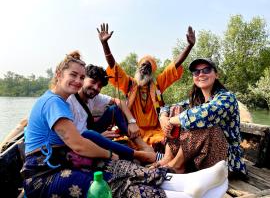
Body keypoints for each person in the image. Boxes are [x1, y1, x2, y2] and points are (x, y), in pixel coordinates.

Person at [22, 51, 228, 198]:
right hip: (44, 175)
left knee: (115, 166)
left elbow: (171, 70)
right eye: (74, 76)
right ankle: (180, 194)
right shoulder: (54, 102)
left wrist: (130, 124)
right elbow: (77, 143)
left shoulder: (157, 85)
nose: (78, 81)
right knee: (106, 182)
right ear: (59, 75)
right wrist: (109, 152)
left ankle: (185, 183)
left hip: (65, 160)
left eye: (81, 77)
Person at [97, 23, 195, 147]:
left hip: (155, 131)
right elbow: (113, 67)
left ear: (152, 71)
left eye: (148, 66)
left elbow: (173, 66)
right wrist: (105, 44)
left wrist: (189, 46)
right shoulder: (129, 84)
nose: (144, 68)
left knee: (166, 140)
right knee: (122, 142)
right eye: (142, 65)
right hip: (134, 130)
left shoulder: (158, 84)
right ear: (138, 68)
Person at [158, 58, 247, 176]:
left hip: (226, 160)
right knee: (176, 109)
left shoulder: (227, 97)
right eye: (196, 72)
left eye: (206, 70)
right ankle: (168, 158)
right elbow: (169, 107)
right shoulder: (197, 100)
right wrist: (163, 117)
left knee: (202, 120)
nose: (201, 74)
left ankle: (177, 165)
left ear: (216, 74)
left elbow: (205, 115)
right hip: (201, 155)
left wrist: (172, 121)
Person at [67, 64, 153, 152]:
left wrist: (132, 122)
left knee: (114, 109)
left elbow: (120, 102)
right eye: (93, 82)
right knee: (122, 146)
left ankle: (142, 145)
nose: (96, 87)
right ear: (83, 79)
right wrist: (100, 136)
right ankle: (138, 154)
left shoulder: (95, 97)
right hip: (81, 139)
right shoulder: (70, 101)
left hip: (90, 132)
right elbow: (76, 137)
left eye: (100, 86)